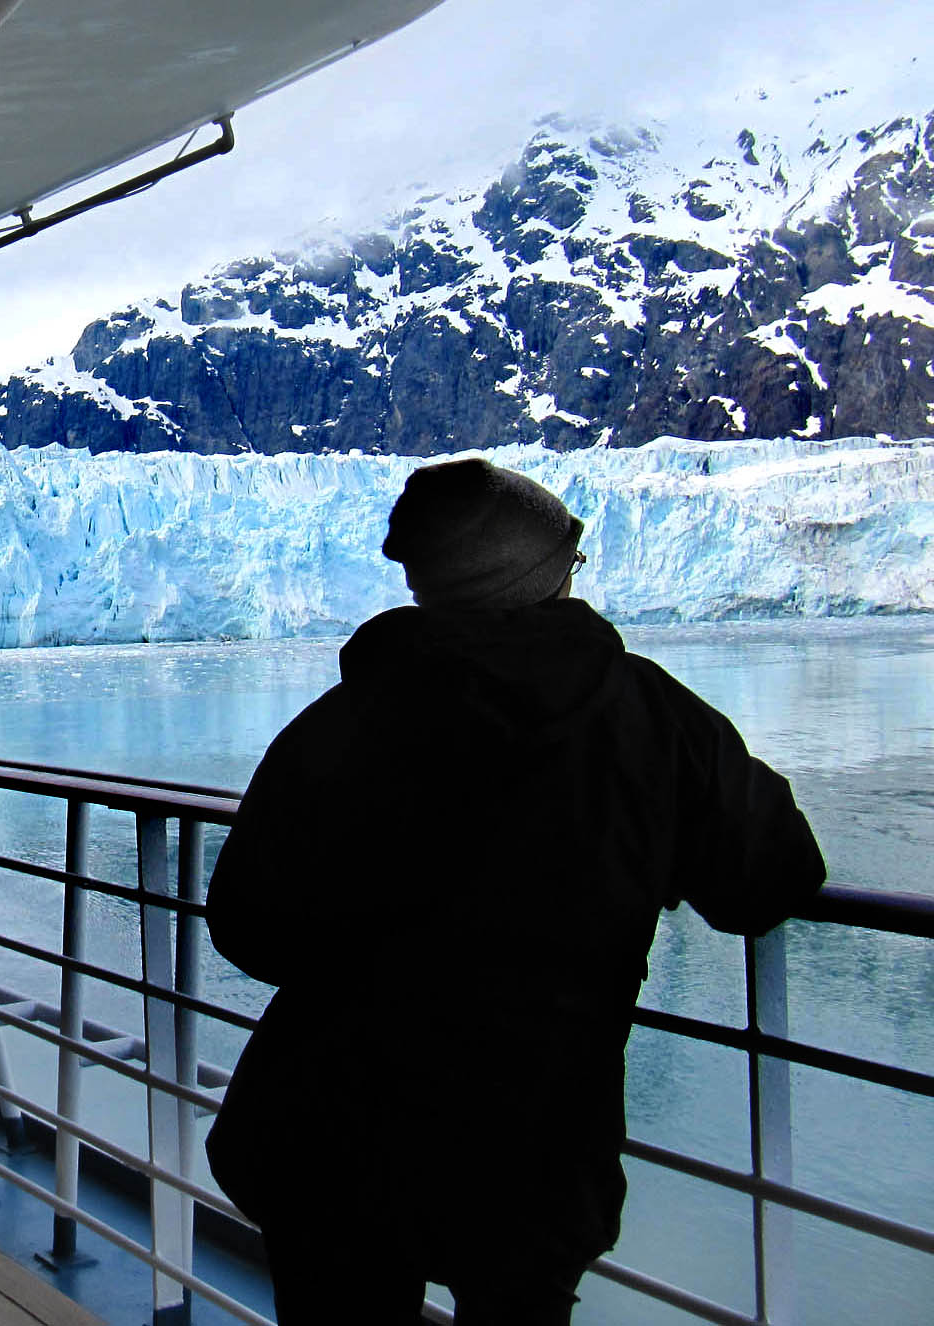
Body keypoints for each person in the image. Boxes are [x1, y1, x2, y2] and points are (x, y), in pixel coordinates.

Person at [204, 458, 827, 1325]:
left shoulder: (344, 721)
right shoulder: (650, 719)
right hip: (532, 1149)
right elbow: (770, 878)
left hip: (332, 1139)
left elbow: (246, 925)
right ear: (543, 575)